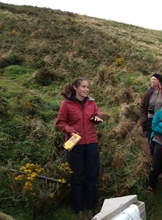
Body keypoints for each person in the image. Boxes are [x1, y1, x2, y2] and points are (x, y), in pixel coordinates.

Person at [56, 77, 103, 220]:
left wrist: (97, 117)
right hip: (74, 144)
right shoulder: (66, 104)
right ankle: (78, 209)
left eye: (88, 87)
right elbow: (60, 122)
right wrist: (70, 130)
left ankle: (90, 208)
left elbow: (98, 114)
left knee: (91, 176)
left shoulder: (91, 102)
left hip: (91, 144)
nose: (86, 89)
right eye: (83, 86)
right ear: (75, 87)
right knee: (76, 177)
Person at [140, 73, 162, 156]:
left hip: (160, 121)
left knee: (159, 140)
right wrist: (144, 119)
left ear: (159, 81)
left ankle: (158, 158)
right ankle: (152, 158)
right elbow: (142, 106)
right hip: (149, 120)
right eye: (151, 79)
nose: (152, 80)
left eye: (154, 79)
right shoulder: (148, 92)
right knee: (150, 140)